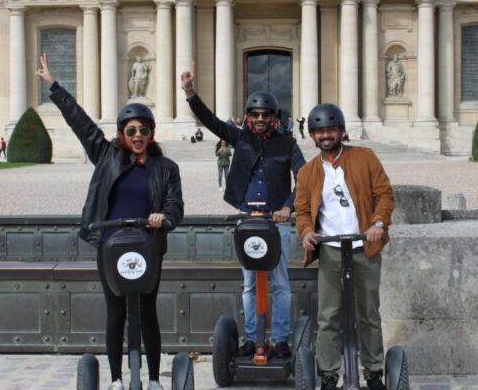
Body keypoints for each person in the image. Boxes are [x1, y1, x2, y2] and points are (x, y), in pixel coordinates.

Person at [37, 54, 183, 390]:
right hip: (110, 245)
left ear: (151, 133)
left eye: (143, 130)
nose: (137, 135)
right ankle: (117, 379)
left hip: (148, 245)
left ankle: (153, 379)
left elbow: (176, 205)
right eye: (131, 131)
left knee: (147, 312)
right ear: (122, 133)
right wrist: (54, 87)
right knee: (115, 311)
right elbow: (82, 123)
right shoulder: (107, 156)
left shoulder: (166, 168)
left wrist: (165, 217)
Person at [181, 65, 305, 360]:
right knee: (250, 283)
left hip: (277, 221)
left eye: (266, 115)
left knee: (281, 282)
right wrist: (189, 91)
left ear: (275, 118)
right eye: (255, 115)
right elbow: (210, 121)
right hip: (248, 219)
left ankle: (282, 338)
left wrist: (288, 207)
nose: (260, 119)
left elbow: (305, 177)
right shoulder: (240, 138)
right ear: (248, 117)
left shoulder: (287, 143)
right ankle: (251, 338)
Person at [294, 103, 395, 390]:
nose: (325, 135)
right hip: (330, 249)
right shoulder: (307, 172)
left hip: (364, 245)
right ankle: (328, 374)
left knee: (369, 313)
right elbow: (301, 211)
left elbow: (385, 195)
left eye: (330, 130)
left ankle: (374, 371)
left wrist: (378, 223)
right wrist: (306, 232)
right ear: (312, 136)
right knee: (328, 315)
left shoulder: (365, 158)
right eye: (319, 131)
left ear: (341, 131)